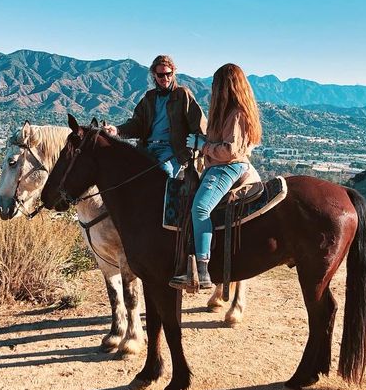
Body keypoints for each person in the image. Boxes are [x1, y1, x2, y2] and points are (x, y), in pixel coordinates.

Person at [170, 63, 262, 290]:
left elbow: (230, 151)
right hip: (217, 166)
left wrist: (203, 145)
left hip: (228, 167)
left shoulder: (237, 114)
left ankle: (202, 269)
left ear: (226, 86)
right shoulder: (226, 113)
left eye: (215, 84)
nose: (212, 89)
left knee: (201, 208)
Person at [104, 55, 206, 177]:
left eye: (168, 74)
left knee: (162, 174)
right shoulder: (149, 97)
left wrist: (198, 147)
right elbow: (137, 124)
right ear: (154, 75)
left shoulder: (182, 95)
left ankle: (169, 196)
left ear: (173, 72)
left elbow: (199, 124)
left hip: (171, 150)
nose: (165, 78)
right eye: (161, 75)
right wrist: (117, 130)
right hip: (147, 148)